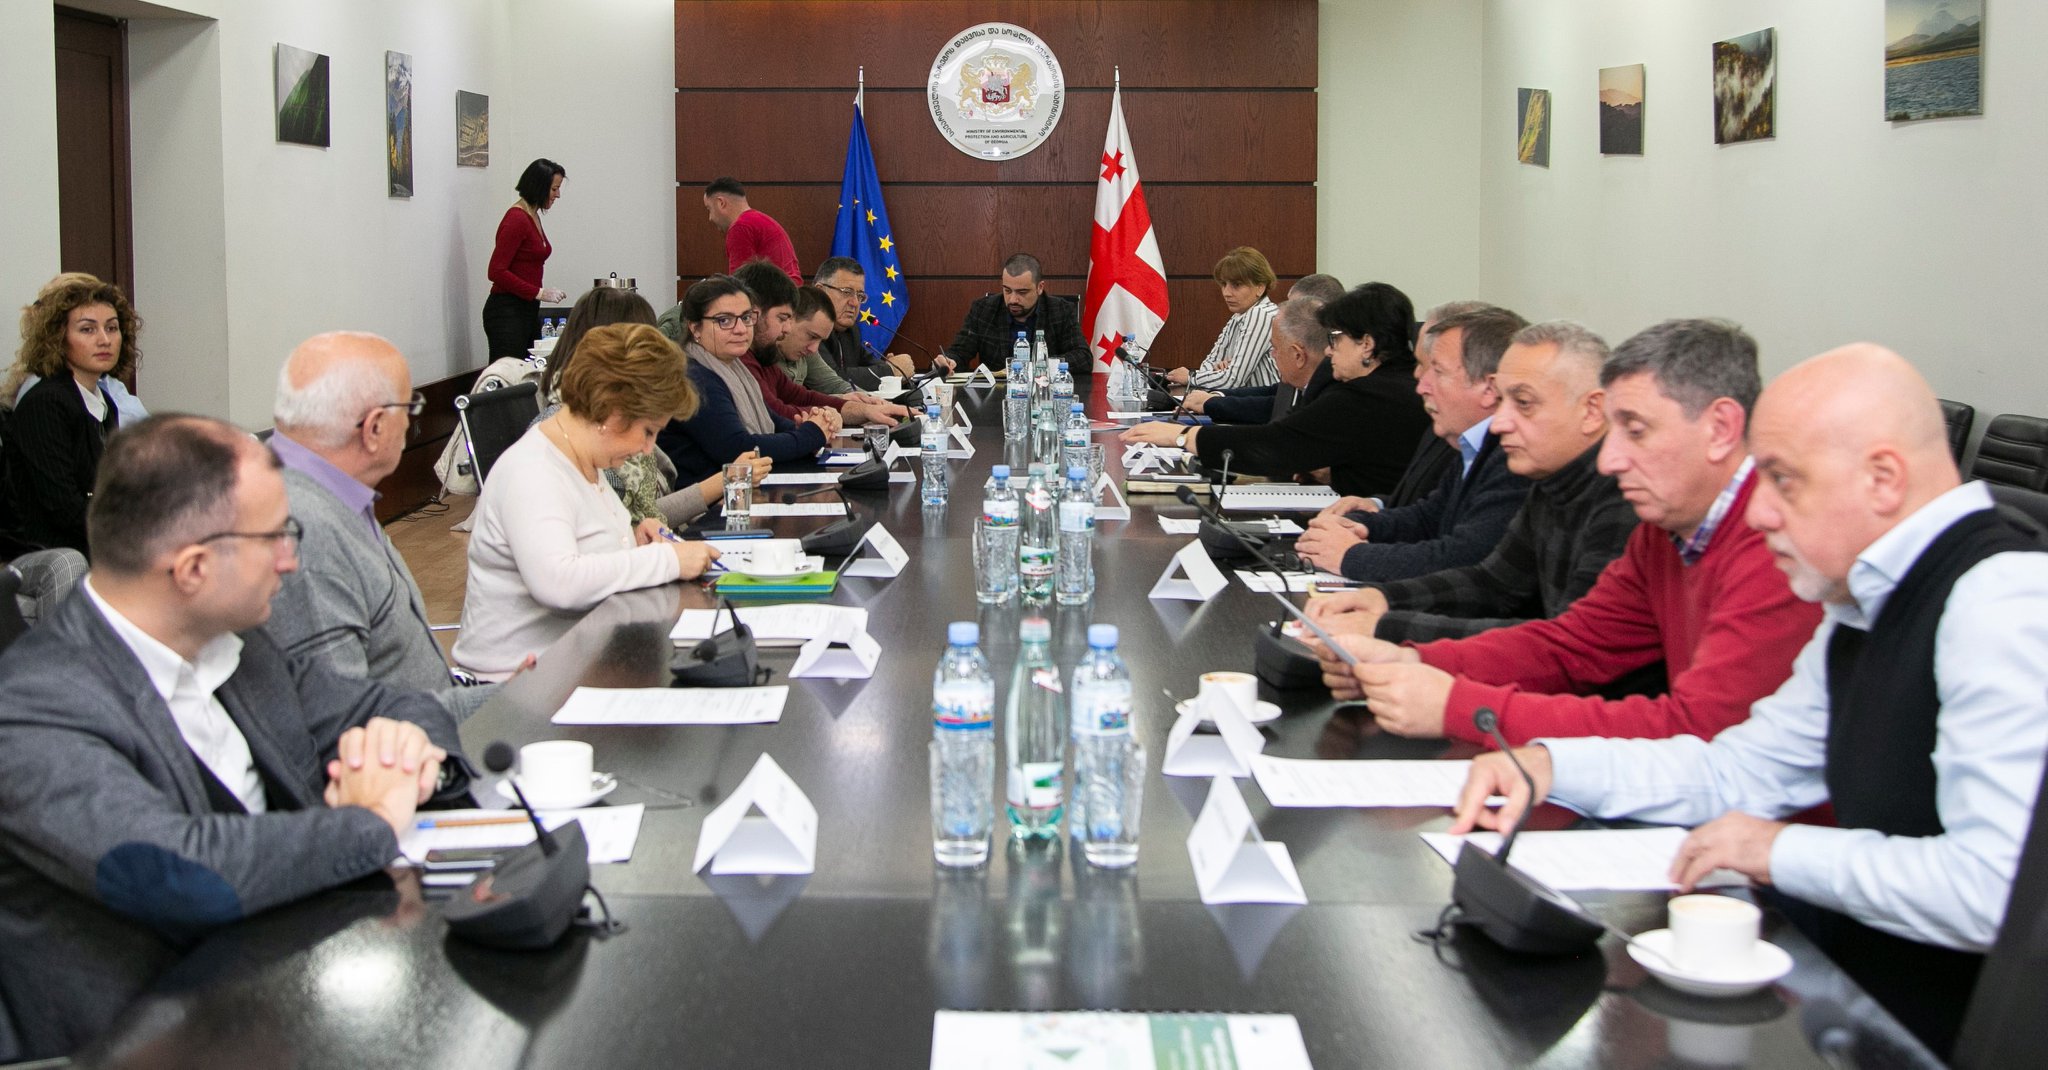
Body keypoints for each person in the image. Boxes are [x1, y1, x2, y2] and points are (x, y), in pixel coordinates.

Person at [1448, 345, 2048, 1058]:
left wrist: (1775, 849)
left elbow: (1999, 891)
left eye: (1783, 480)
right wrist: (1552, 764)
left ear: (1884, 479)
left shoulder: (2001, 603)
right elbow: (1742, 769)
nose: (1759, 513)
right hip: (1867, 999)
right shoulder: (1861, 602)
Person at [0, 414, 470, 1059]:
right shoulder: (34, 710)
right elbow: (184, 873)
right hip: (137, 1044)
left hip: (281, 989)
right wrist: (371, 820)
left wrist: (408, 758)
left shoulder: (236, 643)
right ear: (193, 568)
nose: (291, 559)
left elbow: (397, 706)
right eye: (275, 536)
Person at [1310, 318, 1822, 747]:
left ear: (1721, 428)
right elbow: (1573, 645)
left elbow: (1704, 731)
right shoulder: (1662, 529)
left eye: (1636, 431)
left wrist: (1460, 704)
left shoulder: (1776, 544)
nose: (1612, 458)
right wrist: (1412, 657)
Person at [1308, 320, 1637, 643]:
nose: (1500, 422)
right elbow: (1492, 582)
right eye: (1503, 401)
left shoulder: (1624, 499)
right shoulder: (1549, 479)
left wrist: (1386, 625)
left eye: (1523, 403)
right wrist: (1382, 599)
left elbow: (1573, 644)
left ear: (1592, 411)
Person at [455, 324, 718, 678]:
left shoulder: (585, 462)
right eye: (648, 431)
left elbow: (585, 549)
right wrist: (666, 560)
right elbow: (559, 583)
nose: (647, 448)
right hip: (514, 684)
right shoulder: (533, 471)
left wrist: (633, 540)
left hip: (576, 666)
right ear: (611, 411)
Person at [264, 332, 495, 718]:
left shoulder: (329, 493)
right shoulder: (304, 532)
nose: (410, 421)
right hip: (419, 741)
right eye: (409, 406)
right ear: (373, 428)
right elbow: (349, 722)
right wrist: (514, 701)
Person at [1122, 282, 1431, 499]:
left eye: (1336, 338)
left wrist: (1182, 437)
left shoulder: (1368, 396)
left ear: (1366, 344)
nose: (1329, 350)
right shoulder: (1395, 385)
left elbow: (1277, 444)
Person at [1294, 305, 1533, 581]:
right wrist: (1358, 525)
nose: (1420, 384)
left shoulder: (1514, 457)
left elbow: (1464, 558)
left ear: (1490, 387)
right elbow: (1427, 517)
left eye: (1437, 370)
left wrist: (1352, 556)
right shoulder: (1473, 444)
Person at [551, 287, 764, 529]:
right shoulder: (576, 432)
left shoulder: (590, 414)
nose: (647, 446)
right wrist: (724, 482)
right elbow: (630, 522)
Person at [4, 273, 146, 555]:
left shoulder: (103, 401)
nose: (104, 340)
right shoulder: (46, 402)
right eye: (87, 330)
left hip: (96, 540)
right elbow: (63, 507)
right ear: (59, 338)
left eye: (112, 328)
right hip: (50, 552)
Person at [657, 276, 831, 489]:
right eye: (724, 320)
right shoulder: (693, 378)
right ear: (695, 328)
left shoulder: (734, 367)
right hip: (707, 503)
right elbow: (738, 449)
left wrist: (805, 425)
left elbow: (772, 419)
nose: (740, 329)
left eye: (746, 317)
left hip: (741, 492)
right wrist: (810, 435)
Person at [730, 260, 905, 428]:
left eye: (859, 296)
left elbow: (802, 396)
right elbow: (775, 413)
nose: (786, 329)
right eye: (782, 318)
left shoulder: (763, 356)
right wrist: (825, 418)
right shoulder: (742, 357)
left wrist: (864, 407)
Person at [1184, 277, 1343, 424]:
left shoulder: (1337, 379)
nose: (1284, 314)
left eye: (1294, 309)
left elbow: (1275, 413)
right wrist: (1216, 397)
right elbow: (1278, 394)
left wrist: (1191, 434)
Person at [933, 253, 1086, 373]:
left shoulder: (1061, 310)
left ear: (1040, 287)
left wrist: (1039, 366)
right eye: (1007, 290)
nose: (1013, 299)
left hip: (1044, 393)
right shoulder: (983, 309)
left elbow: (1083, 358)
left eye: (1022, 292)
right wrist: (949, 361)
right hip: (995, 396)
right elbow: (960, 352)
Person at [482, 158, 569, 359]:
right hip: (507, 310)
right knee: (510, 371)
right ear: (539, 187)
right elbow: (496, 271)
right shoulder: (517, 219)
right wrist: (539, 292)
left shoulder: (532, 215)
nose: (557, 194)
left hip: (526, 309)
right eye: (554, 189)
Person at [1165, 247, 1279, 391]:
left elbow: (1234, 379)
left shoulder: (1261, 314)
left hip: (1268, 403)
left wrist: (1190, 377)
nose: (1226, 293)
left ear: (1260, 288)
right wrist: (1217, 373)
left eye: (1236, 285)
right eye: (1224, 284)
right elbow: (1210, 363)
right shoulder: (1239, 315)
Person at [814, 257, 911, 382]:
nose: (855, 303)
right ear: (820, 291)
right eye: (846, 292)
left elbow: (870, 363)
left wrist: (893, 367)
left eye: (860, 296)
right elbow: (831, 379)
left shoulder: (850, 331)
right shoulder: (809, 328)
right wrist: (890, 371)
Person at [703, 176, 800, 277]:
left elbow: (739, 283)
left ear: (721, 203)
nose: (710, 218)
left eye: (709, 209)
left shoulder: (740, 227)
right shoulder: (760, 220)